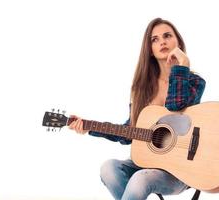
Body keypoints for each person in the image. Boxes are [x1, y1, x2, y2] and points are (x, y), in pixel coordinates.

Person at [69, 18, 206, 200]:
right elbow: (129, 133)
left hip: (180, 170)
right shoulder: (141, 89)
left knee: (140, 179)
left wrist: (181, 67)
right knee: (108, 168)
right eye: (154, 39)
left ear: (178, 42)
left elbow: (176, 107)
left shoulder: (195, 82)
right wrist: (89, 128)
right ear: (149, 50)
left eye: (167, 36)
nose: (162, 42)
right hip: (146, 163)